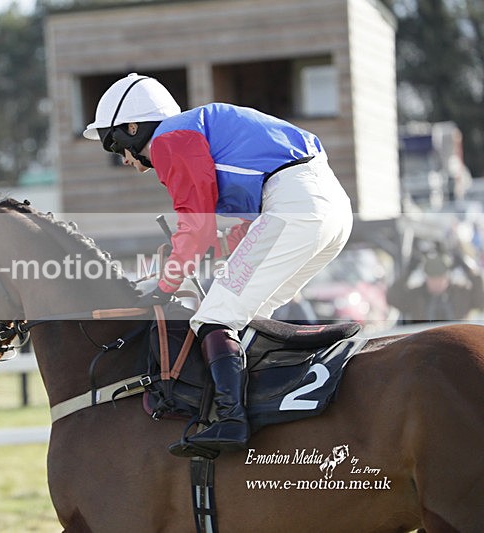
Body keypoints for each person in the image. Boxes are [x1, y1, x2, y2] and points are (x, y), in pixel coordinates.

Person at [84, 73, 353, 456]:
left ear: (132, 127)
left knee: (214, 317)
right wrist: (206, 251)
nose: (125, 160)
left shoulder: (168, 139)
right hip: (328, 208)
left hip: (297, 206)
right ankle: (265, 406)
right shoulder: (199, 133)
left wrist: (165, 286)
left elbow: (195, 225)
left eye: (115, 145)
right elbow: (238, 227)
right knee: (248, 317)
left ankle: (230, 420)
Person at [387, 248, 484, 323]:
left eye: (441, 278)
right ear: (426, 278)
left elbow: (480, 301)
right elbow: (392, 298)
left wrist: (466, 267)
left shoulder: (461, 294)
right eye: (433, 279)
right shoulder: (416, 297)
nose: (437, 283)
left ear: (447, 276)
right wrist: (408, 271)